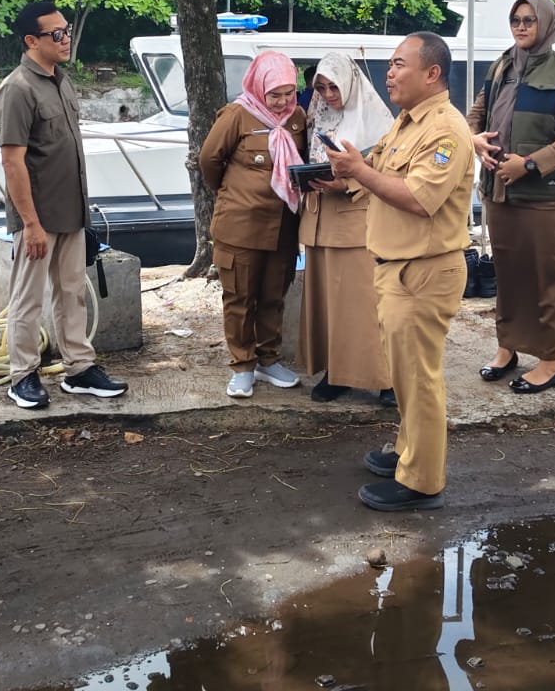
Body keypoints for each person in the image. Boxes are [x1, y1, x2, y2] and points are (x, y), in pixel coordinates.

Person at [327, 33, 474, 511]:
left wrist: (361, 171)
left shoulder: (446, 130)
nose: (389, 73)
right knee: (408, 375)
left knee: (420, 379)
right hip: (399, 268)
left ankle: (422, 482)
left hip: (424, 271)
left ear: (431, 73)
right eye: (389, 66)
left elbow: (418, 198)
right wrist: (348, 170)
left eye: (398, 65)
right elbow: (378, 170)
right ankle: (410, 454)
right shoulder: (407, 125)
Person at [0, 0, 127, 410]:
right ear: (31, 41)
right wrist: (30, 224)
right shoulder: (17, 89)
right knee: (27, 298)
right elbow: (12, 162)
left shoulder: (62, 81)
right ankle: (23, 376)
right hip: (38, 217)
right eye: (57, 34)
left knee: (73, 293)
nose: (65, 38)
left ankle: (79, 369)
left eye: (66, 30)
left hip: (71, 212)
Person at [467, 0, 555, 394]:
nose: (520, 27)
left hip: (546, 196)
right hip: (500, 190)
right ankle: (508, 348)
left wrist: (530, 164)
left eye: (529, 20)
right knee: (509, 274)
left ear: (548, 24)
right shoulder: (502, 65)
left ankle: (551, 361)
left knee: (549, 277)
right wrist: (475, 141)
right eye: (515, 19)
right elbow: (476, 114)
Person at [198, 51, 307, 398]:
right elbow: (209, 160)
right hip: (241, 224)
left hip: (284, 225)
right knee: (240, 297)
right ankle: (242, 365)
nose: (282, 102)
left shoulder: (297, 118)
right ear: (260, 88)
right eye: (275, 95)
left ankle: (268, 359)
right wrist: (232, 193)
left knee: (274, 295)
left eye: (289, 93)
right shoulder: (237, 115)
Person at [300, 53, 395, 403]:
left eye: (333, 86)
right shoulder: (318, 115)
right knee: (328, 306)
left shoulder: (376, 118)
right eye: (321, 87)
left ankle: (386, 378)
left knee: (366, 304)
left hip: (356, 222)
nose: (327, 94)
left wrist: (350, 183)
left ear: (350, 83)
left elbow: (389, 173)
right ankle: (337, 373)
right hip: (319, 219)